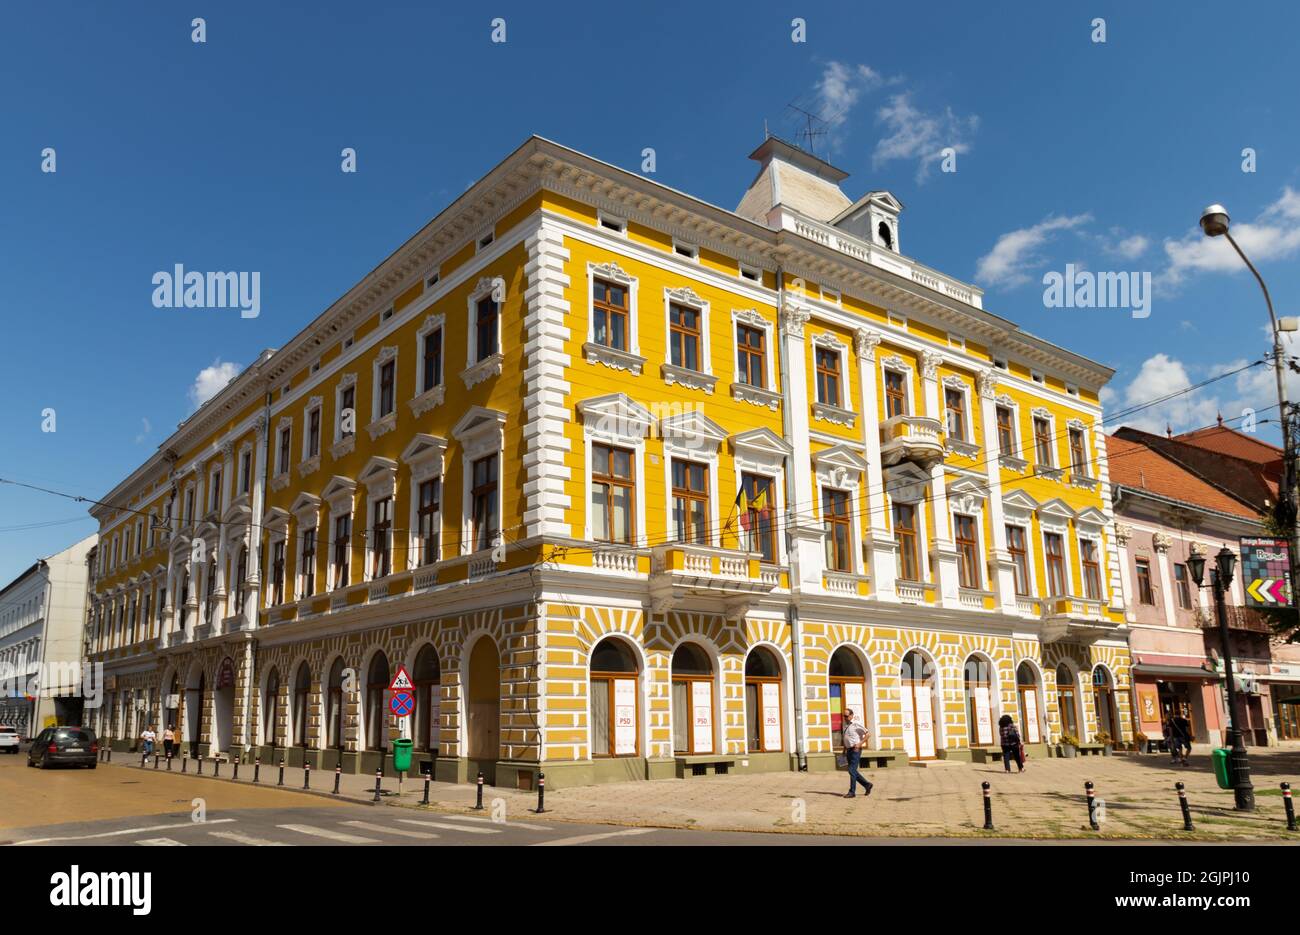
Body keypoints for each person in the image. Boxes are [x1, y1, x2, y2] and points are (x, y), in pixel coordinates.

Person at [841, 708, 873, 799]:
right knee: (853, 771)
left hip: (855, 750)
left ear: (851, 716)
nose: (845, 718)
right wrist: (844, 750)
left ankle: (852, 792)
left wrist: (860, 744)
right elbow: (846, 738)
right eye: (844, 716)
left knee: (851, 770)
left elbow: (868, 734)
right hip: (848, 750)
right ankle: (867, 785)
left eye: (847, 716)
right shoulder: (845, 726)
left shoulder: (856, 725)